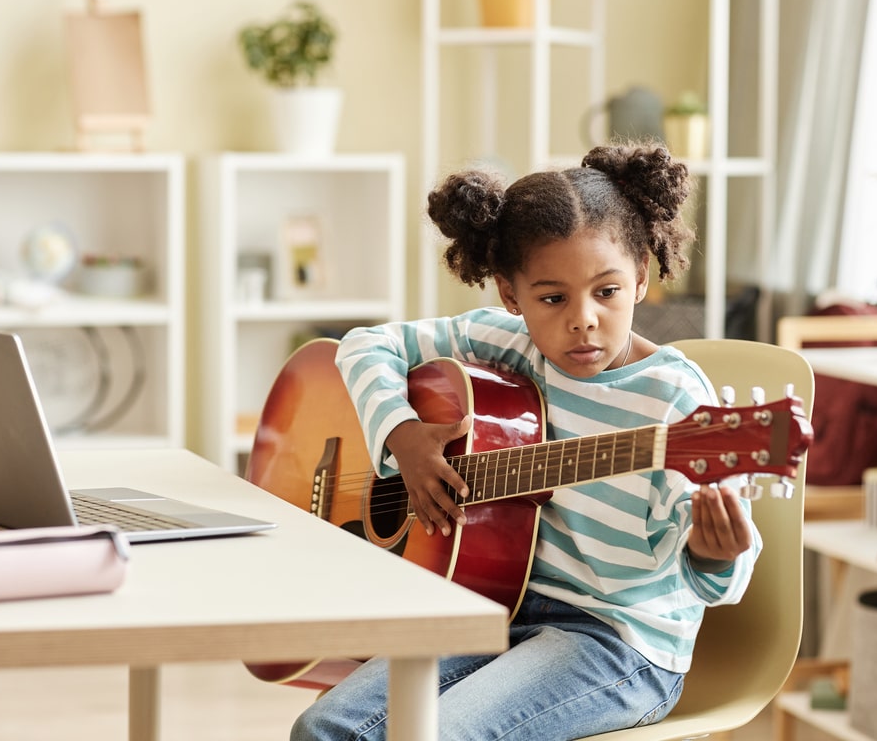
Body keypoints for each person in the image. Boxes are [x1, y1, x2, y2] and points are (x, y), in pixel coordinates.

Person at [290, 143, 760, 741]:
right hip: (492, 607)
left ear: (641, 275)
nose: (583, 318)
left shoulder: (678, 404)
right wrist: (401, 435)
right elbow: (366, 345)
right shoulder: (506, 343)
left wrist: (715, 553)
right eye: (552, 298)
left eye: (607, 292)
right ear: (511, 296)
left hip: (616, 642)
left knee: (442, 736)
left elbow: (708, 572)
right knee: (325, 727)